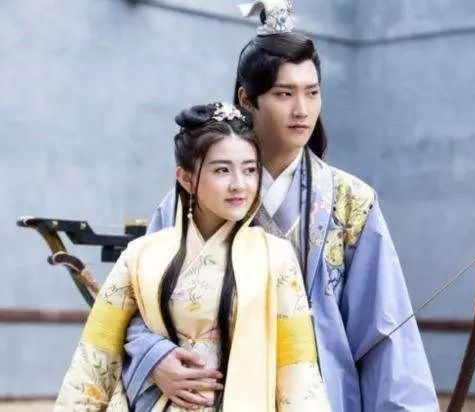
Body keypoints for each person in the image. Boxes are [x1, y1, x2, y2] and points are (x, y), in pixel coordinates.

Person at [124, 1, 439, 411]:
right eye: (284, 94)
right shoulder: (193, 197)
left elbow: (386, 335)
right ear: (247, 99)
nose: (302, 110)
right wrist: (155, 359)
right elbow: (132, 305)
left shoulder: (351, 203)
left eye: (312, 92)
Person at [54, 103, 330, 411]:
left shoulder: (276, 257)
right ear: (186, 178)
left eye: (250, 169)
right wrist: (153, 360)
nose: (240, 184)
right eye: (222, 170)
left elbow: (298, 371)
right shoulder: (141, 256)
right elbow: (95, 355)